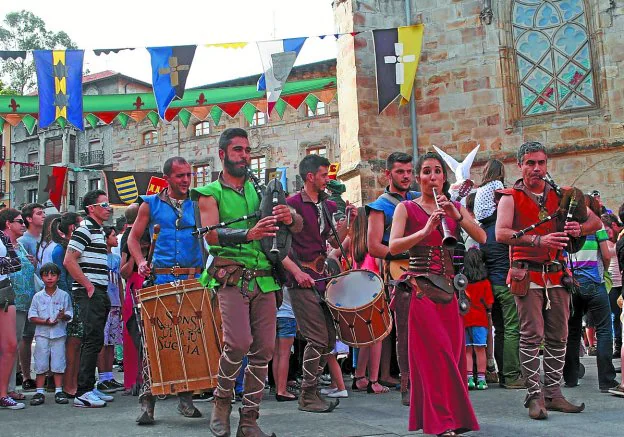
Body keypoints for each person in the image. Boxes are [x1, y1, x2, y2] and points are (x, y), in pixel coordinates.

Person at [193, 128, 301, 437]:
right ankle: (222, 401)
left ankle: (249, 420)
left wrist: (289, 216)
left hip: (265, 277)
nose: (244, 155)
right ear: (223, 154)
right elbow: (211, 234)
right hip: (231, 274)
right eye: (238, 150)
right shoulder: (209, 192)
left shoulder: (262, 190)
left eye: (247, 150)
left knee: (264, 350)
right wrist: (248, 234)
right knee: (238, 342)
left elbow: (296, 225)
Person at [495, 141, 602, 420]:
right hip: (526, 273)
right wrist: (538, 239)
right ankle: (534, 396)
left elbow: (596, 223)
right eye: (530, 163)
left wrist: (580, 227)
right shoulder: (510, 196)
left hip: (557, 273)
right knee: (532, 336)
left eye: (541, 163)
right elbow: (501, 233)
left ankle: (554, 394)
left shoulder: (563, 194)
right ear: (519, 165)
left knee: (559, 336)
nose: (536, 169)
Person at [389, 151, 485, 436]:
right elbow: (394, 246)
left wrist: (457, 216)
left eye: (437, 172)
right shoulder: (406, 208)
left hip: (449, 291)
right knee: (438, 356)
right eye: (427, 172)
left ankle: (454, 419)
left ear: (444, 177)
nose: (433, 177)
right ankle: (441, 422)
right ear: (419, 177)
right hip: (421, 291)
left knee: (453, 357)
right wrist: (426, 230)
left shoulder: (453, 206)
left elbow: (481, 237)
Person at [128, 157, 204, 423]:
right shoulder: (150, 204)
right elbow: (133, 238)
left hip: (192, 281)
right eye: (180, 176)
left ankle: (185, 400)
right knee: (153, 343)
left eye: (188, 175)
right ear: (168, 179)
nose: (186, 180)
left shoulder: (199, 203)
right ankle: (147, 405)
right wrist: (140, 262)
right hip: (159, 281)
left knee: (190, 341)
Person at [283, 153, 354, 414]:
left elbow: (335, 243)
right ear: (310, 176)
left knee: (328, 339)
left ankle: (311, 392)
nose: (328, 180)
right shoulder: (292, 204)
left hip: (322, 276)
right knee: (316, 337)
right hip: (300, 277)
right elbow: (279, 247)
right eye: (324, 175)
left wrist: (349, 223)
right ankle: (307, 395)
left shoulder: (326, 205)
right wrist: (296, 273)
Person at [365, 152, 419, 406]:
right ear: (388, 174)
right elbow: (374, 246)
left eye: (409, 171)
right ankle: (406, 384)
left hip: (424, 271)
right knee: (402, 331)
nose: (406, 176)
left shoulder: (418, 200)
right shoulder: (380, 206)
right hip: (398, 273)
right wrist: (400, 255)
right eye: (400, 171)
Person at [562, 202, 619, 393]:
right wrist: (603, 271)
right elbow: (605, 254)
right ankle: (606, 381)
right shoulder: (597, 227)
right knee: (604, 330)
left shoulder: (565, 226)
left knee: (572, 331)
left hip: (572, 284)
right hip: (594, 282)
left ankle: (570, 377)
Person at [63, 190, 112, 408]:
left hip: (98, 291)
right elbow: (69, 260)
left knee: (96, 339)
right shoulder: (84, 230)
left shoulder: (98, 231)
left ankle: (89, 387)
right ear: (91, 208)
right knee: (92, 339)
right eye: (104, 204)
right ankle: (83, 392)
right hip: (90, 292)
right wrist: (88, 285)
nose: (108, 208)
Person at [348, 207, 388, 396]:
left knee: (365, 337)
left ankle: (359, 376)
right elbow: (380, 267)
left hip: (358, 291)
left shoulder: (354, 243)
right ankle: (374, 380)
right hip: (373, 291)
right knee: (377, 337)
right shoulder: (373, 244)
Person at [27, 263, 72, 406]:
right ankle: (39, 391)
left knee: (58, 362)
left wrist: (62, 316)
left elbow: (69, 315)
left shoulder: (64, 295)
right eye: (46, 275)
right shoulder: (37, 297)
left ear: (58, 277)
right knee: (41, 362)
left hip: (59, 334)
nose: (50, 278)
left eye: (53, 275)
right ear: (41, 277)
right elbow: (32, 316)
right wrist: (45, 321)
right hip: (42, 334)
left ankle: (59, 390)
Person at [5, 208, 38, 402]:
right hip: (12, 301)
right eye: (19, 221)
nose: (23, 225)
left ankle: (9, 387)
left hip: (25, 302)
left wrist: (30, 262)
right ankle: (8, 388)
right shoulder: (5, 245)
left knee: (15, 344)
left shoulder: (20, 245)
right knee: (10, 345)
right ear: (8, 224)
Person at [51, 212, 82, 398]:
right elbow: (61, 279)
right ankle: (68, 384)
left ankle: (75, 381)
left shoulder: (71, 246)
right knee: (72, 343)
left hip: (77, 297)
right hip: (70, 299)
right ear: (72, 227)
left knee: (78, 343)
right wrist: (68, 301)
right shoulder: (60, 249)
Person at [16, 203, 45, 392]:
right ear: (28, 219)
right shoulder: (24, 241)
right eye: (39, 213)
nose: (43, 216)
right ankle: (26, 375)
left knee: (41, 335)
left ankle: (44, 374)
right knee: (26, 336)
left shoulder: (44, 238)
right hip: (28, 292)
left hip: (42, 292)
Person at [95, 227, 124, 394]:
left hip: (114, 303)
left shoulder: (116, 258)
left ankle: (109, 376)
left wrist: (120, 301)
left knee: (112, 341)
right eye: (113, 235)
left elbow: (119, 281)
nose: (116, 238)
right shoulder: (99, 259)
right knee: (102, 341)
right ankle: (102, 377)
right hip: (103, 302)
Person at [120, 228, 149, 394]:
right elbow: (124, 272)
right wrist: (134, 256)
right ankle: (133, 381)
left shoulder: (155, 250)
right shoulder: (128, 244)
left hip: (148, 290)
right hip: (133, 293)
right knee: (132, 339)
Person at [0, 210, 23, 410]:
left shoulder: (2, 235)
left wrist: (3, 263)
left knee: (10, 345)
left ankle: (2, 394)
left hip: (4, 291)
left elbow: (17, 263)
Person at [462, 248, 494, 391]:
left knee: (467, 349)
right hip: (480, 320)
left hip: (464, 319)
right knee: (480, 349)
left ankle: (469, 378)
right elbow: (489, 303)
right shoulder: (485, 283)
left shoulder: (463, 282)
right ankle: (481, 379)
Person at [601, 212, 624, 358]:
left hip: (621, 282)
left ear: (614, 226)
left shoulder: (621, 237)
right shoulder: (606, 239)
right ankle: (618, 346)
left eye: (607, 230)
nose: (606, 234)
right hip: (613, 283)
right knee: (616, 317)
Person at [272, 286, 298, 402]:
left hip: (273, 316)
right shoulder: (290, 282)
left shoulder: (274, 280)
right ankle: (282, 391)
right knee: (285, 355)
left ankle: (278, 388)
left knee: (276, 355)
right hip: (288, 317)